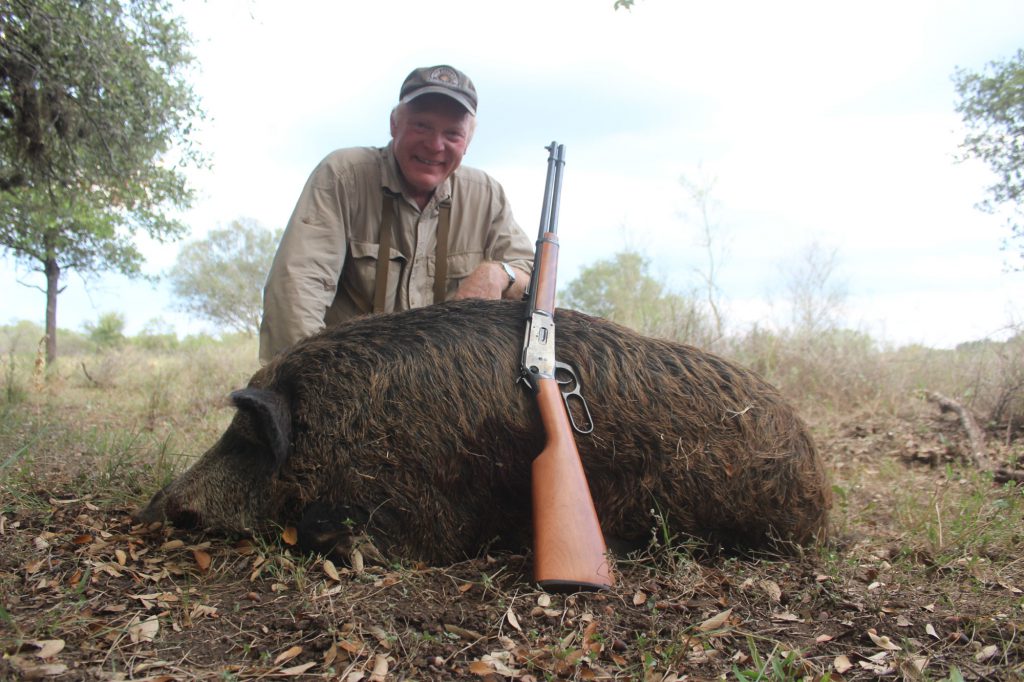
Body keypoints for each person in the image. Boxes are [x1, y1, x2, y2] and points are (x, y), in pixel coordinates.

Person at [259, 65, 534, 363]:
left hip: (447, 379)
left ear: (467, 141)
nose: (435, 145)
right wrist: (308, 383)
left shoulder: (487, 196)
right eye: (422, 126)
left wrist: (499, 273)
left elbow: (536, 281)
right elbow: (298, 289)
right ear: (394, 124)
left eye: (452, 133)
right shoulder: (343, 176)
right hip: (349, 374)